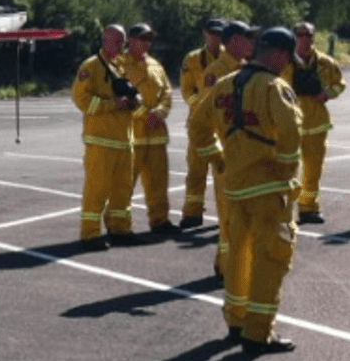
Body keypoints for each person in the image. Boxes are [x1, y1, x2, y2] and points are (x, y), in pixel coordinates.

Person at [187, 27, 302, 354]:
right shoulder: (274, 88)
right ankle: (258, 333)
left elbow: (196, 125)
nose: (286, 65)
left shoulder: (224, 84)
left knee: (238, 256)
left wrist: (216, 157)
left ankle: (236, 322)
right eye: (286, 59)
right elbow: (291, 133)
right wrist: (285, 169)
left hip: (235, 190)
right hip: (268, 191)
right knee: (271, 259)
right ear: (279, 54)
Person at [72, 24, 139, 250]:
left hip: (123, 139)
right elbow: (81, 99)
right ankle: (89, 234)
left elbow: (128, 96)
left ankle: (121, 228)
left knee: (123, 189)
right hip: (101, 140)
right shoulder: (91, 66)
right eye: (117, 41)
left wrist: (133, 102)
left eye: (123, 41)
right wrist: (113, 104)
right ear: (105, 40)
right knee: (97, 189)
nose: (121, 45)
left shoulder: (120, 66)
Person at [180, 20, 252, 230]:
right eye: (212, 32)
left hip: (220, 126)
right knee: (196, 170)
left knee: (223, 175)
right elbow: (188, 90)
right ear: (205, 33)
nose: (215, 37)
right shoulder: (195, 59)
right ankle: (192, 214)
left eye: (219, 33)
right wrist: (198, 109)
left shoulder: (233, 59)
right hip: (201, 123)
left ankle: (228, 219)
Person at [280, 21, 344, 224]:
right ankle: (282, 210)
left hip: (317, 125)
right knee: (286, 170)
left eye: (309, 35)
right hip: (291, 124)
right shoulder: (284, 62)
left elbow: (339, 83)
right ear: (294, 37)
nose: (305, 39)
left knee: (313, 171)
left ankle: (309, 209)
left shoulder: (325, 62)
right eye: (301, 35)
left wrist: (327, 94)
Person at [120, 23, 179, 235]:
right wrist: (146, 115)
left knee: (159, 184)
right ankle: (118, 226)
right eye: (142, 39)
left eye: (149, 39)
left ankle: (160, 221)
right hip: (133, 135)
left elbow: (167, 94)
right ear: (130, 40)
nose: (146, 43)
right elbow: (119, 96)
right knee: (124, 185)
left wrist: (160, 113)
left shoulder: (156, 65)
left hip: (156, 137)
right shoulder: (120, 63)